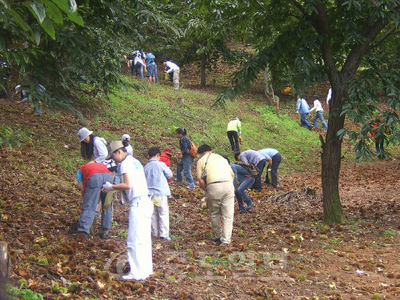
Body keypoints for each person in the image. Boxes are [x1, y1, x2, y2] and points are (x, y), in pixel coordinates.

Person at [102, 141, 153, 281]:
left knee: (133, 239)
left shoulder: (124, 163)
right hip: (146, 201)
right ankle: (146, 270)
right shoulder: (135, 161)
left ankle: (136, 273)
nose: (114, 161)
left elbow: (127, 185)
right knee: (144, 239)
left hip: (138, 203)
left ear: (119, 151)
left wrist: (111, 186)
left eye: (113, 157)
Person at [196, 144, 234, 245]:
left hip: (213, 185)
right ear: (210, 150)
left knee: (214, 213)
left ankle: (218, 235)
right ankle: (226, 240)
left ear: (200, 154)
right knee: (228, 215)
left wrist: (206, 190)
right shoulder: (221, 158)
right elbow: (232, 175)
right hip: (228, 184)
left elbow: (201, 181)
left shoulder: (201, 161)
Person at [76, 162, 113, 239]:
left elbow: (83, 188)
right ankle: (105, 231)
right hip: (109, 176)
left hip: (94, 177)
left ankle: (83, 231)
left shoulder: (80, 172)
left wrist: (84, 197)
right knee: (106, 205)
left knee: (89, 205)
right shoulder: (96, 165)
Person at [144, 147, 173, 240]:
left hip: (149, 194)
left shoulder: (146, 167)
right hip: (160, 193)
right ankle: (164, 234)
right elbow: (170, 175)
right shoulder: (161, 164)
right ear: (157, 155)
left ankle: (154, 233)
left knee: (152, 214)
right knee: (163, 213)